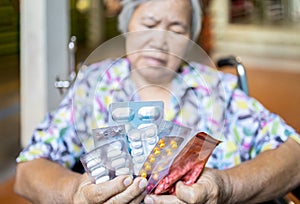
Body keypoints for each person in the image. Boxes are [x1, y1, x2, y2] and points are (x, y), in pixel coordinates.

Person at [14, 0, 300, 203]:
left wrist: (225, 187)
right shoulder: (92, 86)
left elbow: (295, 154)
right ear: (128, 24)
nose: (159, 41)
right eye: (148, 23)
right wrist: (75, 193)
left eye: (177, 29)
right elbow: (27, 171)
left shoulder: (218, 91)